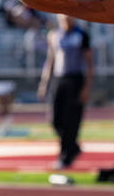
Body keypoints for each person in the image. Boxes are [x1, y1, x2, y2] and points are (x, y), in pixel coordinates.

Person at [39, 14, 93, 170]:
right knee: (55, 120)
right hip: (59, 78)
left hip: (75, 79)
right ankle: (72, 147)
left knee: (72, 120)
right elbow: (51, 60)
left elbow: (89, 63)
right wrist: (44, 82)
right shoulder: (54, 35)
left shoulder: (81, 35)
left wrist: (86, 87)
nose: (66, 19)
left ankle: (65, 156)